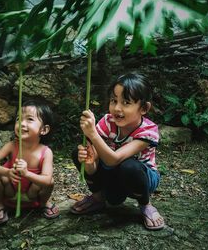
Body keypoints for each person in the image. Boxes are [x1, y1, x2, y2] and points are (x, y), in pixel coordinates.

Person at [71, 73, 165, 230]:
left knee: (129, 165)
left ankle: (145, 204)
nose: (117, 108)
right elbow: (93, 167)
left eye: (126, 102)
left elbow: (114, 159)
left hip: (141, 178)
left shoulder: (148, 130)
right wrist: (88, 162)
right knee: (79, 153)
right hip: (113, 174)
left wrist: (92, 134)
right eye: (114, 101)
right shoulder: (107, 122)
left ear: (144, 108)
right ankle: (98, 197)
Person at [0, 99, 59, 225]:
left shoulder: (46, 152)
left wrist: (27, 174)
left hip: (32, 195)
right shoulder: (12, 146)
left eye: (29, 119)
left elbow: (47, 180)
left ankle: (44, 203)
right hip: (11, 192)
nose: (22, 123)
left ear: (44, 130)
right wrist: (7, 172)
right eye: (19, 119)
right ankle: (0, 205)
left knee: (50, 181)